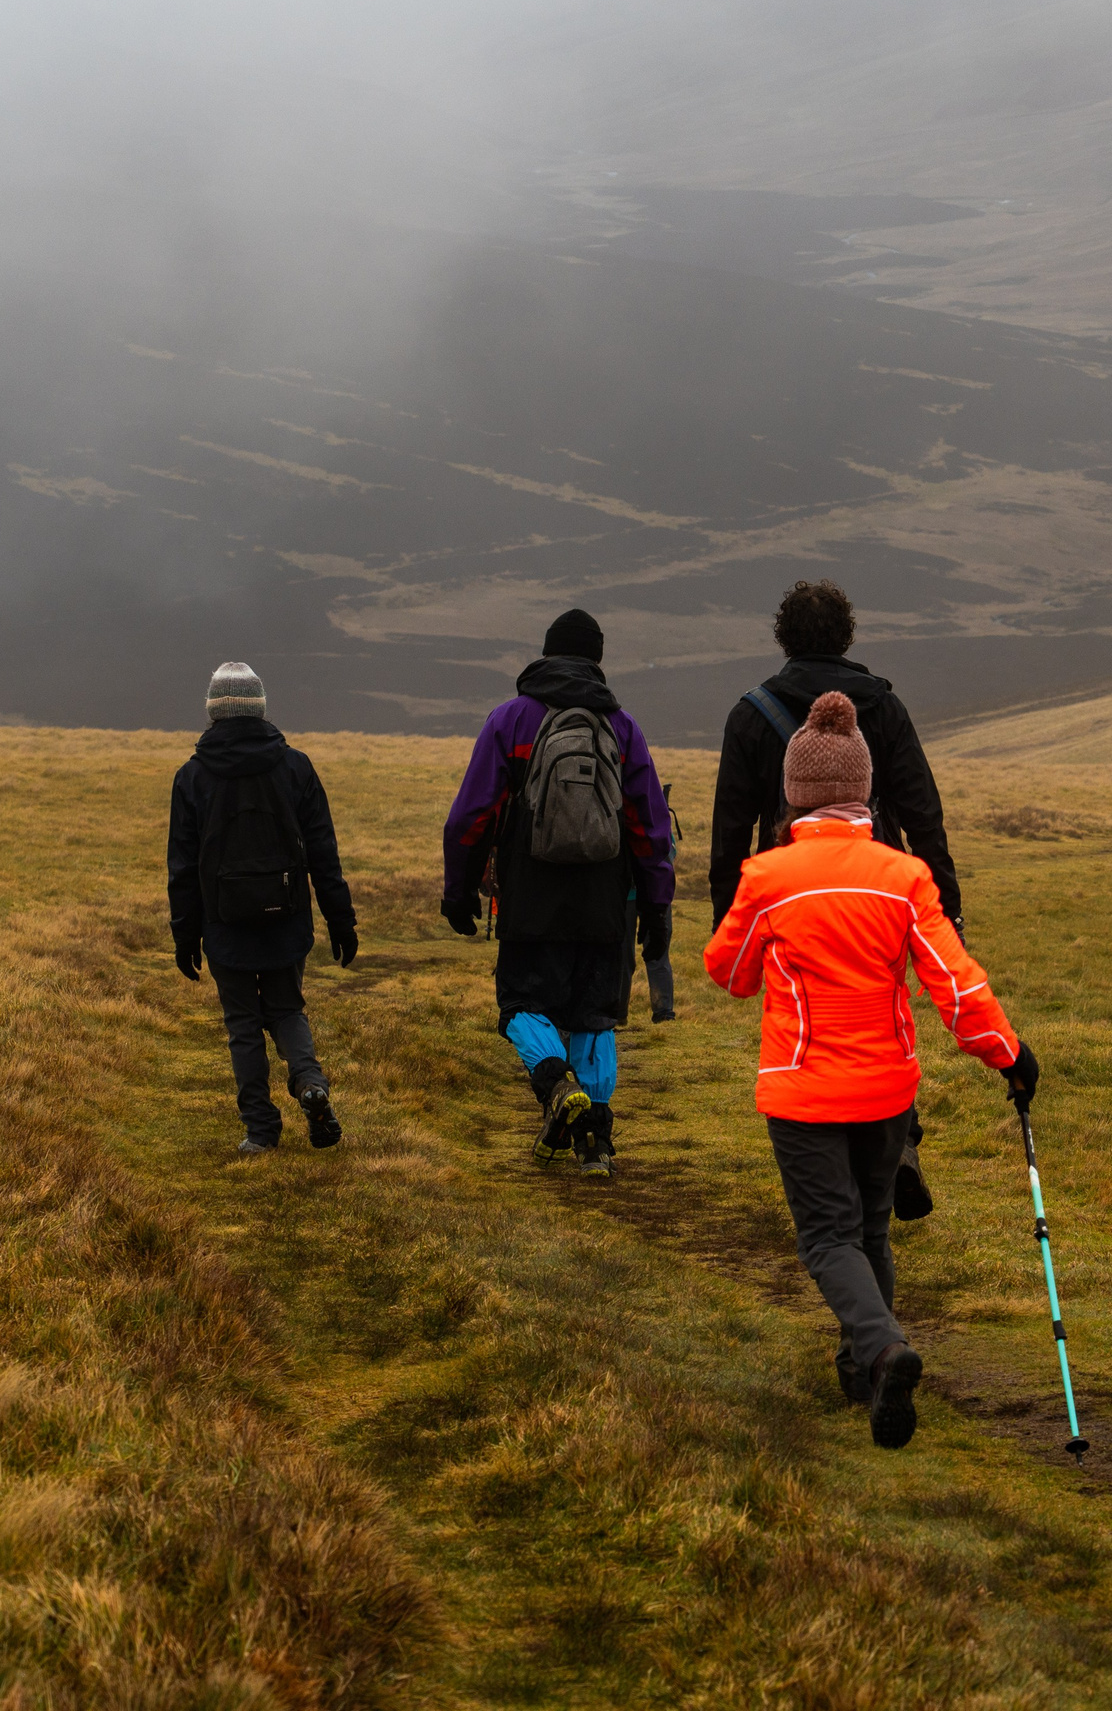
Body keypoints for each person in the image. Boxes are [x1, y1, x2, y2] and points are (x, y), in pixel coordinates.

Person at [704, 690, 1039, 1449]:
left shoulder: (767, 876)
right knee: (871, 1229)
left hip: (803, 1088)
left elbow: (727, 972)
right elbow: (955, 984)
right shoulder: (905, 875)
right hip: (887, 1086)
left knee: (827, 1239)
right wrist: (1008, 1054)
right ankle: (865, 1368)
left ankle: (883, 1352)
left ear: (795, 794)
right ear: (861, 791)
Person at [709, 579, 959, 1220]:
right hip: (880, 888)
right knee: (880, 1020)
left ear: (782, 636)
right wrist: (946, 905)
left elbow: (730, 825)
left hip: (785, 895)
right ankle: (892, 1142)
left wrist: (727, 917)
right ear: (847, 635)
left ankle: (835, 1165)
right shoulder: (882, 707)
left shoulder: (751, 713)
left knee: (806, 1026)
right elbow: (921, 810)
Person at [441, 609, 674, 1178]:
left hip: (530, 892)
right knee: (594, 1015)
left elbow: (472, 814)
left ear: (545, 654)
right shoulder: (622, 727)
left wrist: (460, 888)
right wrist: (656, 903)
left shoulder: (511, 720)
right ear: (597, 660)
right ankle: (595, 1144)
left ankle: (553, 1084)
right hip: (605, 895)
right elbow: (649, 824)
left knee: (522, 1004)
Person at [167, 661, 360, 1153]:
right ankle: (310, 1083)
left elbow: (183, 868)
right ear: (260, 708)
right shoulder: (296, 767)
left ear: (214, 712)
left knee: (243, 1025)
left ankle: (260, 1130)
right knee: (287, 1008)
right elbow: (323, 851)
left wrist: (185, 935)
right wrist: (341, 920)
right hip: (286, 916)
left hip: (223, 923)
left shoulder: (191, 776)